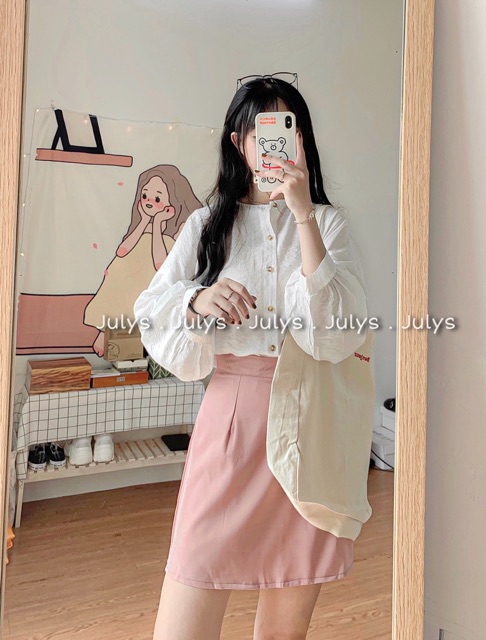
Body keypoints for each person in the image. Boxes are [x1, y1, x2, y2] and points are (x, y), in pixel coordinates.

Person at [133, 76, 368, 640]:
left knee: (284, 632)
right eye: (260, 131)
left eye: (286, 128)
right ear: (238, 142)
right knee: (182, 622)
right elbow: (150, 312)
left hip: (307, 429)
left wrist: (303, 216)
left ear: (301, 140)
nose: (273, 144)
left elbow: (337, 334)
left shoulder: (328, 224)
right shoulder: (206, 225)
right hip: (231, 426)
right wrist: (195, 300)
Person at [84, 164, 201, 356]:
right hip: (132, 274)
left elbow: (161, 265)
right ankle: (105, 329)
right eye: (145, 195)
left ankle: (130, 337)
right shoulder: (143, 221)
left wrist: (157, 225)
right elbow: (122, 251)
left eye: (157, 198)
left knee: (137, 286)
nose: (149, 202)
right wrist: (145, 220)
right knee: (119, 274)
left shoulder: (182, 225)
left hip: (156, 277)